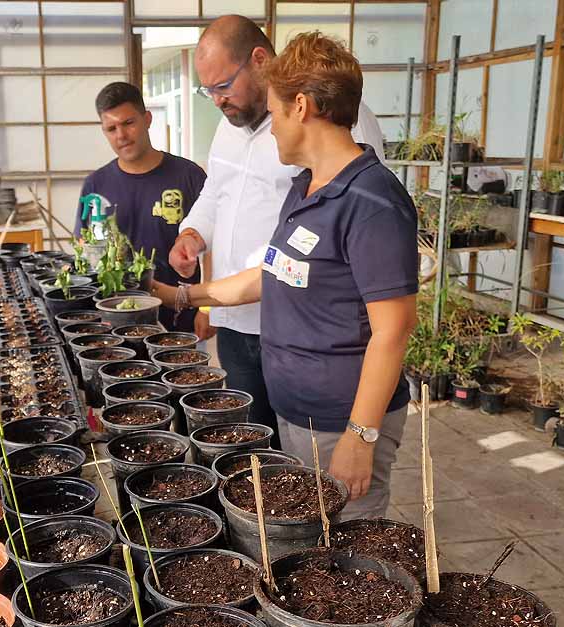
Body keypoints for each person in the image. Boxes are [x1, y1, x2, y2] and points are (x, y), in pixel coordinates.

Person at [153, 30, 418, 520]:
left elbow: (393, 329)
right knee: (308, 535)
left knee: (347, 542)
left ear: (301, 107)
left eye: (274, 113)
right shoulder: (305, 188)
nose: (270, 128)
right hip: (296, 407)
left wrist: (360, 435)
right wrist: (179, 295)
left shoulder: (372, 202)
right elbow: (272, 273)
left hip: (341, 416)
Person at [167, 15, 385, 446]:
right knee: (251, 448)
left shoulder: (333, 121)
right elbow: (216, 192)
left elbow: (359, 212)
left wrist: (361, 434)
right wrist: (192, 234)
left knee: (311, 456)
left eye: (223, 85)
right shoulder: (229, 127)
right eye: (207, 90)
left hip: (299, 327)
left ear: (259, 60)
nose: (217, 100)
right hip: (236, 323)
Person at [75, 81, 211, 336]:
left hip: (180, 317)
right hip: (115, 320)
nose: (121, 135)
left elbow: (214, 247)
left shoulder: (189, 176)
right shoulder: (96, 185)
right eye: (111, 128)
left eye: (128, 123)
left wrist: (207, 308)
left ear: (147, 119)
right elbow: (84, 246)